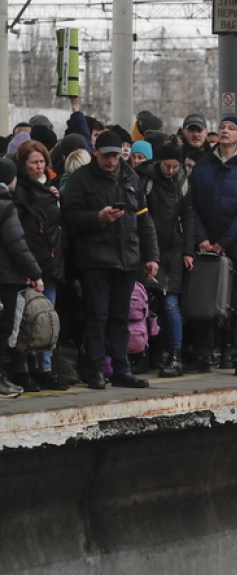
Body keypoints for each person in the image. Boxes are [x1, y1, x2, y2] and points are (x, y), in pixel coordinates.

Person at [62, 131, 159, 389]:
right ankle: (95, 369)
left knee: (120, 316)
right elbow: (69, 217)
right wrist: (98, 218)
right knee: (97, 316)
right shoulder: (81, 180)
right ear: (96, 152)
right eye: (106, 156)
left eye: (115, 155)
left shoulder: (131, 177)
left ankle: (121, 369)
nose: (111, 161)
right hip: (95, 259)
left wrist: (151, 256)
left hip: (127, 259)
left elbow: (143, 219)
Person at [188, 117, 237, 377]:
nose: (224, 131)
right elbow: (192, 206)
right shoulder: (202, 167)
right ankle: (204, 355)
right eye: (222, 127)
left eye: (231, 128)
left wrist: (225, 241)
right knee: (207, 301)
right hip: (208, 243)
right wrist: (202, 237)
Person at [8, 141, 66, 391]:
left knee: (46, 319)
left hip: (50, 262)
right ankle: (22, 369)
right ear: (23, 165)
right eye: (34, 162)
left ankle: (45, 367)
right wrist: (29, 269)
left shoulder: (50, 189)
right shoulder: (18, 192)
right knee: (24, 320)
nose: (40, 167)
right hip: (28, 265)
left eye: (42, 162)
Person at [137, 143, 195, 378]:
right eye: (168, 166)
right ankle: (144, 352)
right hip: (148, 249)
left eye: (175, 166)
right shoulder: (145, 178)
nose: (171, 171)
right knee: (146, 303)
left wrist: (187, 251)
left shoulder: (182, 182)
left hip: (172, 250)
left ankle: (174, 354)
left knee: (170, 304)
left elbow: (188, 216)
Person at [0, 157, 44, 397]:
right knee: (4, 329)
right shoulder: (6, 205)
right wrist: (35, 273)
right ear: (11, 179)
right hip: (5, 278)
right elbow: (17, 244)